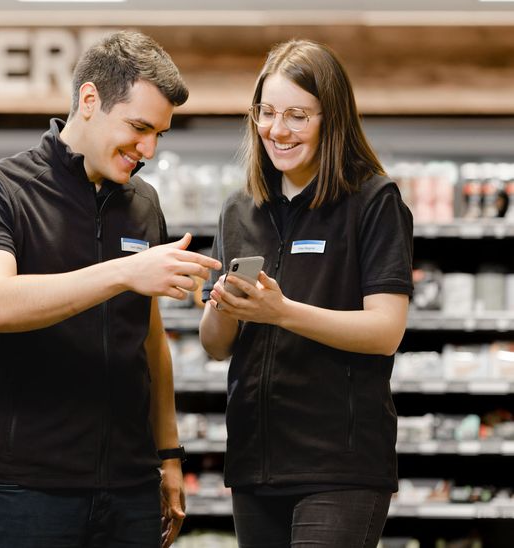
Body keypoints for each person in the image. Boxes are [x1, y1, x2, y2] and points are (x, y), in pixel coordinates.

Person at [0, 30, 221, 548]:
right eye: (138, 127)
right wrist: (125, 272)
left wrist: (168, 456)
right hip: (25, 490)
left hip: (129, 488)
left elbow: (150, 341)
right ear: (89, 100)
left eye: (159, 135)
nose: (147, 149)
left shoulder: (143, 203)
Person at [199, 39, 413, 548]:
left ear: (331, 119)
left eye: (297, 115)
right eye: (266, 112)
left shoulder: (373, 202)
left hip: (338, 465)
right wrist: (222, 306)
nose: (277, 130)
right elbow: (215, 345)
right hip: (255, 463)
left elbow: (385, 331)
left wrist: (282, 312)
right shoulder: (240, 209)